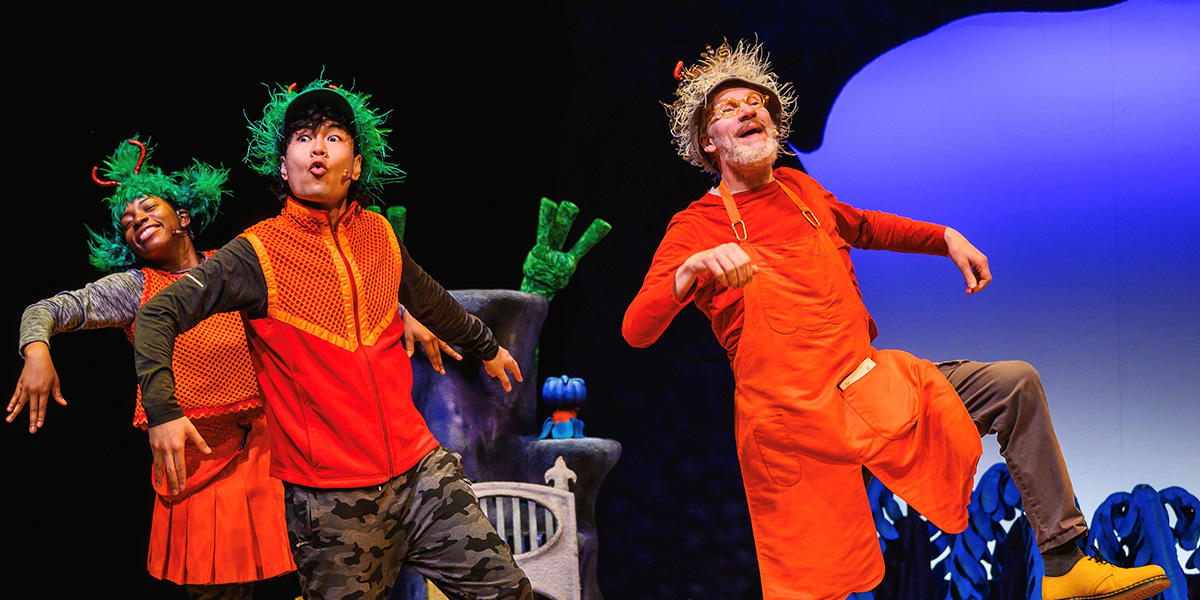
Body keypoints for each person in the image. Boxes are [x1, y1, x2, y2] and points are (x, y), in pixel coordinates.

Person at [622, 40, 1170, 600]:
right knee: (815, 586)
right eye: (727, 109)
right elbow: (637, 328)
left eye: (756, 102)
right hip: (790, 431)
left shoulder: (800, 191)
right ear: (708, 142)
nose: (748, 110)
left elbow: (866, 225)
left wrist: (945, 238)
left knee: (1014, 384)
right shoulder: (697, 225)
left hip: (866, 389)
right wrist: (691, 270)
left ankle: (1065, 563)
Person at [132, 80, 532, 600]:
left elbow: (429, 300)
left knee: (508, 592)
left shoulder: (379, 234)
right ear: (283, 166)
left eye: (333, 136)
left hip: (420, 474)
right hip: (333, 502)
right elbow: (157, 315)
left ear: (356, 164)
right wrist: (163, 411)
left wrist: (487, 346)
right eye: (302, 138)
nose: (318, 147)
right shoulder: (256, 253)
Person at [8, 137, 295, 599]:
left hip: (262, 449)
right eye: (126, 222)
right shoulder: (135, 287)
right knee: (215, 590)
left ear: (183, 218)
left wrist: (405, 315)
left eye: (147, 208)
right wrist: (36, 350)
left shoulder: (231, 268)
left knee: (292, 578)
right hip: (193, 460)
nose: (137, 221)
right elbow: (46, 310)